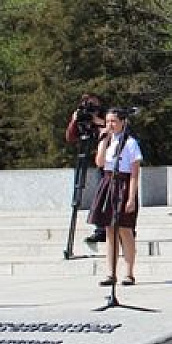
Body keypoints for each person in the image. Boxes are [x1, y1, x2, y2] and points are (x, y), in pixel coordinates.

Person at [87, 108, 143, 286]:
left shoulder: (131, 143)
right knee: (109, 230)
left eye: (114, 121)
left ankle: (129, 272)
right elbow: (100, 163)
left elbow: (134, 173)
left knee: (125, 229)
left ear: (122, 123)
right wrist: (102, 141)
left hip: (124, 184)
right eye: (108, 121)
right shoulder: (108, 141)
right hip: (108, 182)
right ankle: (110, 273)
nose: (110, 125)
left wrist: (131, 198)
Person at [65, 93, 108, 244]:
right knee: (99, 195)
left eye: (95, 105)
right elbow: (70, 137)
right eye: (89, 105)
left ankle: (107, 229)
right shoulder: (81, 117)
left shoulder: (107, 117)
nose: (92, 109)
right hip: (91, 159)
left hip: (107, 162)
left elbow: (116, 129)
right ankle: (100, 229)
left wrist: (98, 122)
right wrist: (74, 120)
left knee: (104, 195)